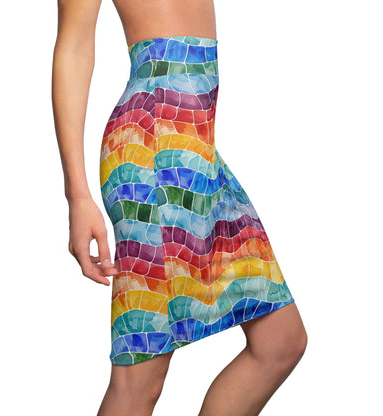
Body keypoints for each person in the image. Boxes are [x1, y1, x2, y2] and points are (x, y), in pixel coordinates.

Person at [51, 0, 308, 415]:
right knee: (139, 380)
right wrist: (77, 197)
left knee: (280, 342)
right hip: (154, 150)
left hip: (199, 150)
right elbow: (74, 47)